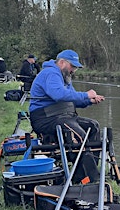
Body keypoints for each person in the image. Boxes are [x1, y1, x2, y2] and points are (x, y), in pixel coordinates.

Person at [29, 49, 105, 183]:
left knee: (93, 127)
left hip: (62, 116)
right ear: (62, 62)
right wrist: (86, 94)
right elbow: (58, 95)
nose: (74, 70)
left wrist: (89, 101)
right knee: (81, 135)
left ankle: (81, 175)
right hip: (45, 119)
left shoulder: (65, 77)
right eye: (73, 66)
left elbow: (73, 99)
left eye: (76, 67)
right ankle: (94, 179)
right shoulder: (51, 73)